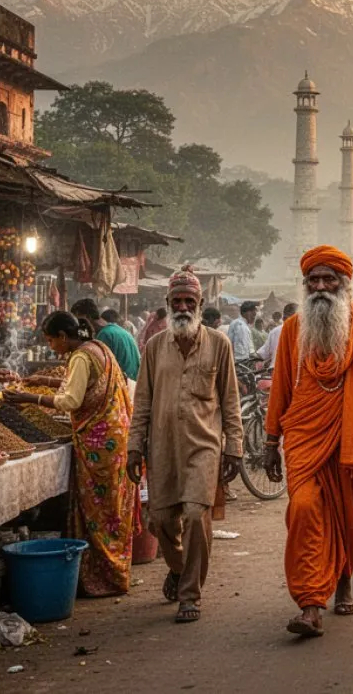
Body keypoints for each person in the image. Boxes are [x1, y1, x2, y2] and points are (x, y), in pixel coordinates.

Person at [261, 246, 353, 639]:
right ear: (304, 286)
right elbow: (281, 390)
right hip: (305, 439)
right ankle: (310, 604)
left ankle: (343, 581)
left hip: (352, 441)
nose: (321, 287)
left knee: (347, 518)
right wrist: (271, 441)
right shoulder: (292, 331)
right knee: (305, 510)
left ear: (344, 284)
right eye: (314, 281)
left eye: (329, 280)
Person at [126, 267, 243, 624]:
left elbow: (230, 399)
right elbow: (142, 401)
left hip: (203, 446)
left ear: (200, 304)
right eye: (176, 300)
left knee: (195, 516)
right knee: (160, 521)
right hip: (161, 447)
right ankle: (178, 569)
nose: (182, 306)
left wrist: (234, 446)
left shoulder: (219, 344)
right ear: (166, 303)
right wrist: (134, 446)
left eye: (188, 301)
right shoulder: (153, 347)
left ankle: (190, 593)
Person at [8, 312, 137, 596]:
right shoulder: (98, 348)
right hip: (114, 438)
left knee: (98, 511)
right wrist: (43, 379)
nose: (51, 346)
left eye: (51, 340)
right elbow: (81, 384)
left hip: (98, 444)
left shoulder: (80, 357)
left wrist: (28, 398)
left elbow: (71, 400)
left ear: (64, 337)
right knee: (112, 509)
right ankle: (116, 572)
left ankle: (102, 577)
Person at [71, 298, 141, 381]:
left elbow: (98, 371)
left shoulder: (104, 335)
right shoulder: (117, 329)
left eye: (79, 321)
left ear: (88, 317)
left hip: (122, 386)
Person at [258, 302, 298, 368]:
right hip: (293, 374)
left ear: (283, 318)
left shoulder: (274, 332)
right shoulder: (305, 333)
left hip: (275, 372)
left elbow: (263, 354)